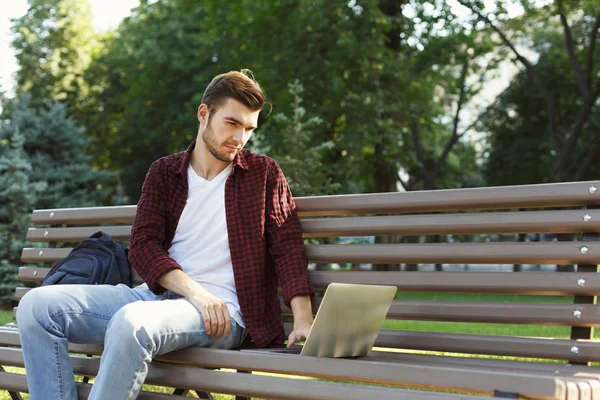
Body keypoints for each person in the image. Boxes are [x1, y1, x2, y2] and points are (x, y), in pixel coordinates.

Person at [16, 70, 315, 400]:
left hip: (224, 314)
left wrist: (303, 319)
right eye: (232, 123)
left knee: (132, 324)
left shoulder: (263, 173)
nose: (240, 137)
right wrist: (196, 294)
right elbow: (143, 246)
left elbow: (288, 248)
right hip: (157, 298)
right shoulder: (165, 172)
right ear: (204, 114)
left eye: (248, 129)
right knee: (36, 307)